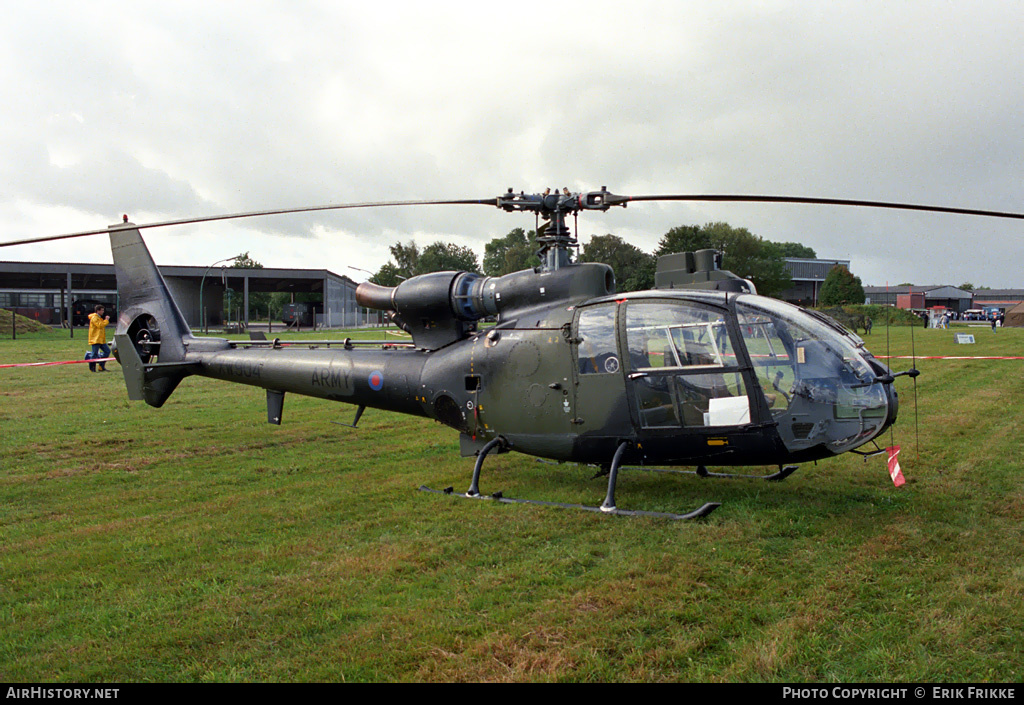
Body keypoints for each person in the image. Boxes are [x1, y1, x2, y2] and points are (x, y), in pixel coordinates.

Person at [88, 304, 112, 371]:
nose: (103, 311)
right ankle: (92, 368)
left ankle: (101, 366)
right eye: (102, 310)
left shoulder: (99, 318)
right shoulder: (94, 318)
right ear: (97, 311)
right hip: (95, 339)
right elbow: (100, 325)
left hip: (101, 339)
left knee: (107, 351)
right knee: (94, 354)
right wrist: (106, 320)